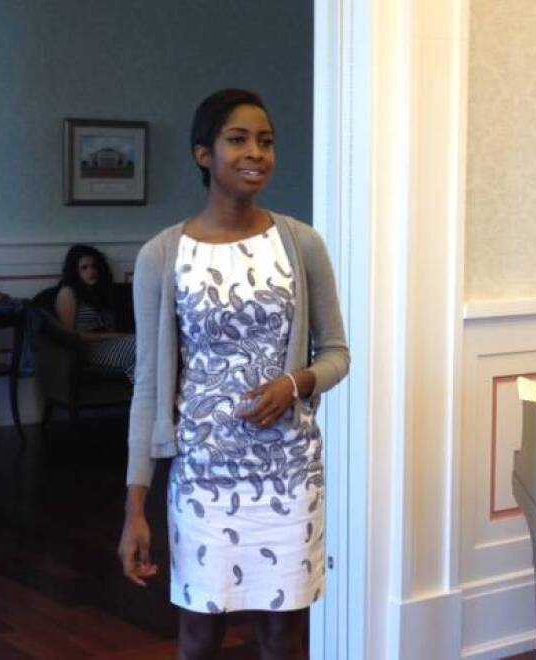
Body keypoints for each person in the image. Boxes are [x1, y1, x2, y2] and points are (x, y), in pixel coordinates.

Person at [117, 89, 349, 660]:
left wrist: (294, 384)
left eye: (266, 141)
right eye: (238, 139)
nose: (257, 153)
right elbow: (148, 386)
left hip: (289, 474)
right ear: (204, 154)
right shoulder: (163, 256)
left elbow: (338, 353)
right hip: (202, 477)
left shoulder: (301, 244)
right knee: (198, 634)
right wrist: (134, 509)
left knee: (283, 635)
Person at [55, 244, 135, 383]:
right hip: (87, 348)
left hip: (109, 343)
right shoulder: (68, 293)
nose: (91, 272)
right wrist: (110, 336)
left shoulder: (99, 293)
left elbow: (110, 326)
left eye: (94, 266)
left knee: (148, 343)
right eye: (84, 268)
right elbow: (68, 336)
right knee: (138, 345)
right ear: (75, 271)